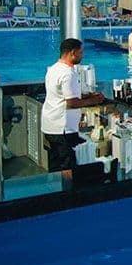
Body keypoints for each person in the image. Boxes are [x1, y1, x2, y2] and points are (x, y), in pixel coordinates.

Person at [41, 38, 106, 171]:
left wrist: (88, 95)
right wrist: (94, 101)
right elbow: (72, 103)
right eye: (81, 52)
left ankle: (57, 184)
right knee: (67, 167)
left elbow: (63, 94)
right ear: (72, 53)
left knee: (55, 164)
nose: (82, 56)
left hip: (50, 124)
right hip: (63, 128)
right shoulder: (68, 73)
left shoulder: (53, 69)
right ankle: (67, 185)